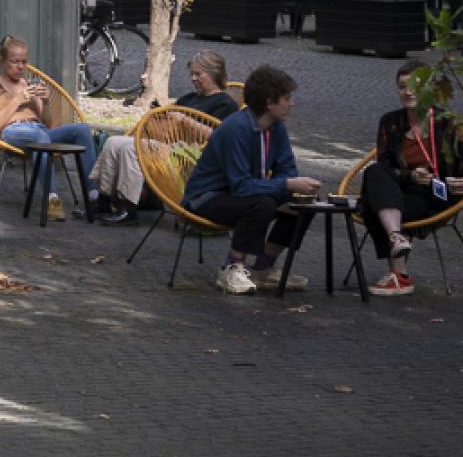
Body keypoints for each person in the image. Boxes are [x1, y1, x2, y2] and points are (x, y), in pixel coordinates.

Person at [181, 64, 323, 294]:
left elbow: (287, 168)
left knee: (305, 201)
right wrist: (285, 184)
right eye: (287, 98)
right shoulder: (236, 128)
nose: (291, 103)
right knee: (262, 203)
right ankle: (232, 266)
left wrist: (294, 187)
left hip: (242, 192)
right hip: (207, 197)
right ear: (269, 102)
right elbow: (241, 185)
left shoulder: (277, 127)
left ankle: (263, 267)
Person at [359, 63, 463, 298]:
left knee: (370, 205)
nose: (408, 92)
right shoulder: (391, 122)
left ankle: (399, 273)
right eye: (402, 87)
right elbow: (386, 165)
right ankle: (397, 241)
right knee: (374, 171)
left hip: (434, 195)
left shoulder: (451, 124)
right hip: (399, 190)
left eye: (415, 85)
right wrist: (410, 175)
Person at [92, 51, 239, 217]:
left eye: (198, 74)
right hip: (166, 146)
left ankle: (129, 208)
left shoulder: (226, 104)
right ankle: (104, 199)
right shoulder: (189, 98)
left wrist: (184, 120)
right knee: (113, 142)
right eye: (191, 74)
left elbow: (219, 137)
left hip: (190, 156)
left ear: (214, 74)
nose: (193, 79)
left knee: (131, 148)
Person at [0, 35, 98, 217]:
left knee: (82, 130)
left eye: (24, 62)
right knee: (40, 138)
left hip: (39, 131)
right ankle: (52, 199)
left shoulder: (27, 84)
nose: (21, 66)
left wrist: (45, 101)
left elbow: (48, 124)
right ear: (3, 61)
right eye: (15, 62)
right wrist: (17, 100)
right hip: (13, 131)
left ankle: (93, 195)